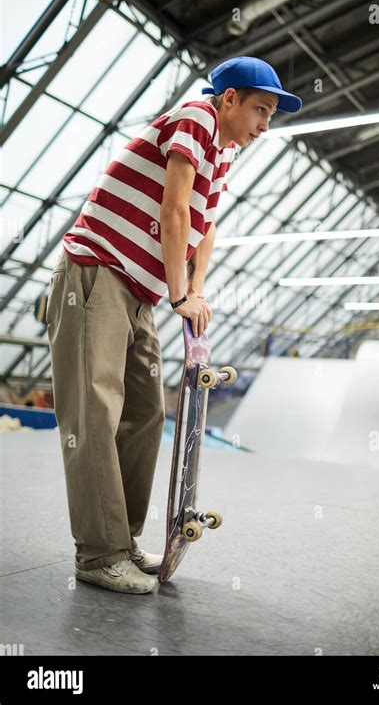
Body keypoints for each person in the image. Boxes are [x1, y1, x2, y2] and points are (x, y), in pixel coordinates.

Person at [46, 56, 302, 594]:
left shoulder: (223, 152)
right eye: (260, 109)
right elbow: (174, 212)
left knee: (143, 412)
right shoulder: (197, 118)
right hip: (95, 271)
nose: (264, 124)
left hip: (139, 289)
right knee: (96, 413)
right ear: (228, 99)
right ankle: (98, 553)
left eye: (272, 115)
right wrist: (181, 294)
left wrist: (197, 289)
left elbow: (203, 226)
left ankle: (121, 541)